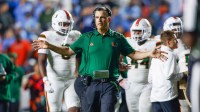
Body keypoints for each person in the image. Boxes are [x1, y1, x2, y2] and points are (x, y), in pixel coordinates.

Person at [32, 6, 167, 112]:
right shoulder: (85, 37)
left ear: (109, 19)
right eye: (97, 17)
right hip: (90, 83)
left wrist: (149, 53)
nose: (99, 20)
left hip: (109, 83)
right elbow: (67, 51)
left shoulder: (118, 37)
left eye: (102, 17)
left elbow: (133, 54)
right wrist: (49, 46)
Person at [37, 9, 81, 112]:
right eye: (64, 24)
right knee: (54, 109)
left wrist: (78, 71)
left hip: (72, 79)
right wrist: (45, 79)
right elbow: (41, 60)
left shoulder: (76, 35)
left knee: (75, 109)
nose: (66, 27)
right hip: (54, 80)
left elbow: (79, 56)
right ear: (55, 23)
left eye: (68, 24)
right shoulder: (46, 35)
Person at [123, 18, 156, 112]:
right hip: (131, 85)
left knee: (145, 110)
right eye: (134, 31)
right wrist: (120, 79)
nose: (136, 34)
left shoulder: (154, 43)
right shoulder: (127, 42)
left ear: (147, 31)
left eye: (139, 31)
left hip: (147, 85)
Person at [149, 30, 185, 112]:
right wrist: (182, 75)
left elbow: (150, 78)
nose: (177, 41)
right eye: (174, 40)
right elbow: (169, 75)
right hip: (168, 96)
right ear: (168, 42)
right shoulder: (170, 54)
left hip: (155, 96)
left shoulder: (156, 54)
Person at [162, 17, 191, 111]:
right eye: (174, 28)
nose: (177, 30)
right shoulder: (189, 40)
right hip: (183, 76)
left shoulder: (170, 43)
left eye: (178, 27)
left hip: (180, 78)